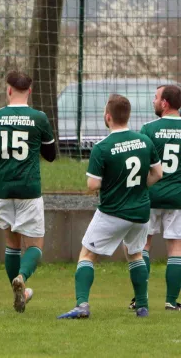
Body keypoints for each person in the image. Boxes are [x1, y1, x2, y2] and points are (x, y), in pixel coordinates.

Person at [57, 94, 162, 319]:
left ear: (108, 117)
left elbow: (93, 183)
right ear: (128, 115)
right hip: (141, 211)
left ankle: (82, 306)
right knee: (135, 254)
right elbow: (158, 173)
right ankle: (142, 307)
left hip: (113, 211)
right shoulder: (145, 141)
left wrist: (116, 184)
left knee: (87, 255)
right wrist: (138, 188)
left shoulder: (102, 147)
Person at [0, 70, 56, 313]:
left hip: (2, 187)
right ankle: (22, 277)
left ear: (8, 90)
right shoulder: (39, 118)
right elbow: (51, 156)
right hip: (28, 188)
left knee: (12, 243)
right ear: (29, 91)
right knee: (35, 245)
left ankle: (18, 292)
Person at [126, 84, 181, 311]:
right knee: (176, 248)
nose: (153, 101)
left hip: (150, 196)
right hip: (178, 199)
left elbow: (139, 163)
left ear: (165, 103)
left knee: (143, 246)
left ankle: (140, 298)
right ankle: (170, 301)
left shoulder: (148, 129)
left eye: (156, 98)